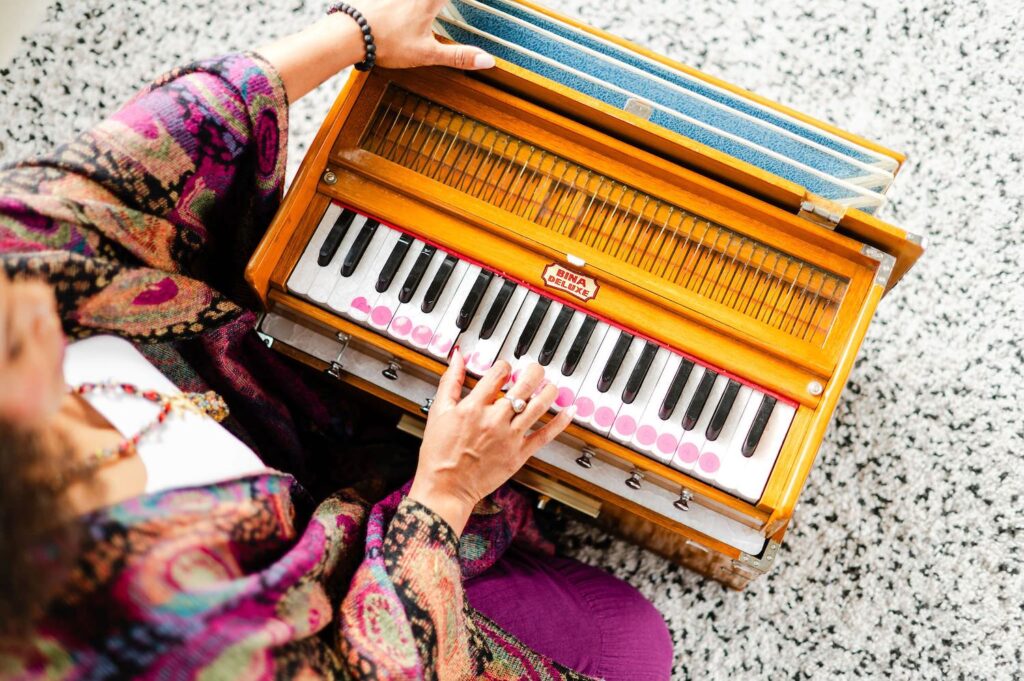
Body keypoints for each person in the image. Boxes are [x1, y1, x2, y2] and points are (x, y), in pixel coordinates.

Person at [0, 0, 674, 678]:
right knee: (634, 643)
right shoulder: (139, 646)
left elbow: (93, 183)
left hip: (276, 401)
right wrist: (444, 492)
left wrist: (356, 33)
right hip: (345, 576)